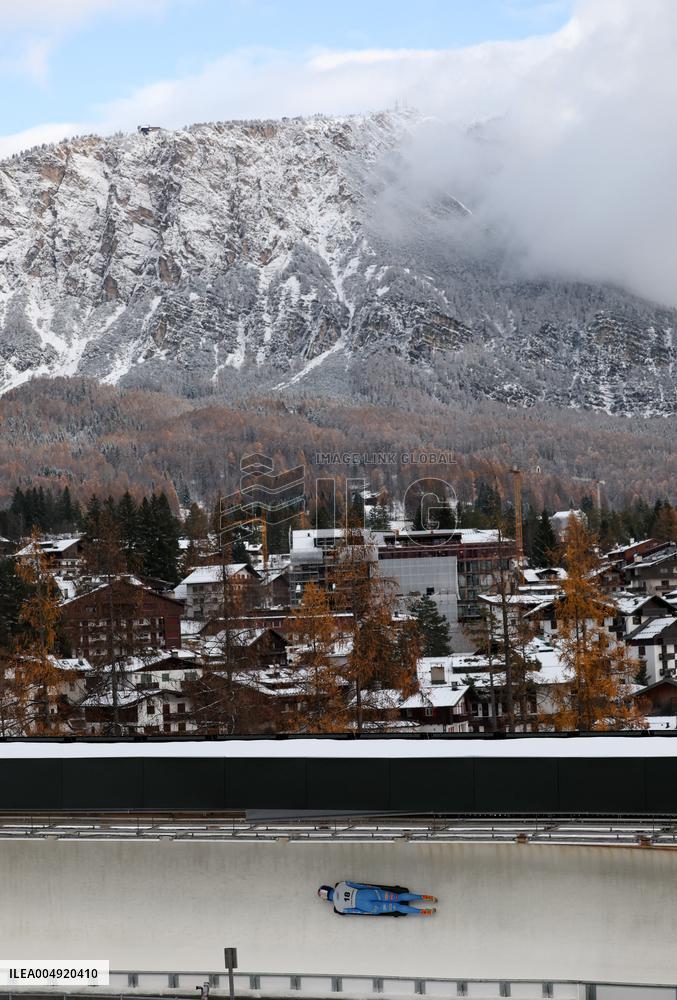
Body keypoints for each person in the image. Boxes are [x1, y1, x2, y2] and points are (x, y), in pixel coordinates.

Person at [318, 882, 436, 916]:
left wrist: (370, 912)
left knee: (397, 907)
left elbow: (356, 912)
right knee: (398, 897)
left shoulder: (339, 908)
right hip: (369, 894)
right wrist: (374, 888)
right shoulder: (342, 885)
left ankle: (422, 912)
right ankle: (424, 897)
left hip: (368, 907)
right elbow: (359, 886)